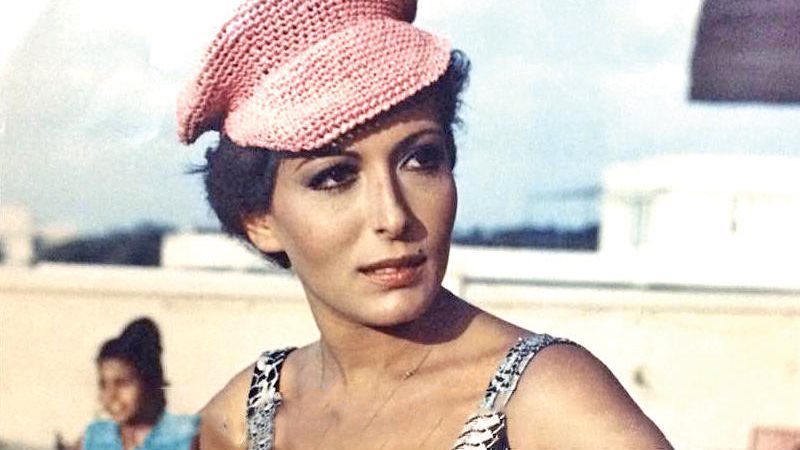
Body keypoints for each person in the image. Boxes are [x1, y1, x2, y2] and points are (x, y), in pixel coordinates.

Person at [176, 1, 674, 448]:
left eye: (420, 160)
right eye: (334, 177)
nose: (392, 217)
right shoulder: (243, 420)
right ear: (259, 220)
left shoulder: (546, 401)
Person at [81, 318, 199, 450]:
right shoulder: (96, 437)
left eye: (122, 383)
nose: (110, 395)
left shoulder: (186, 435)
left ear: (149, 382)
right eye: (103, 385)